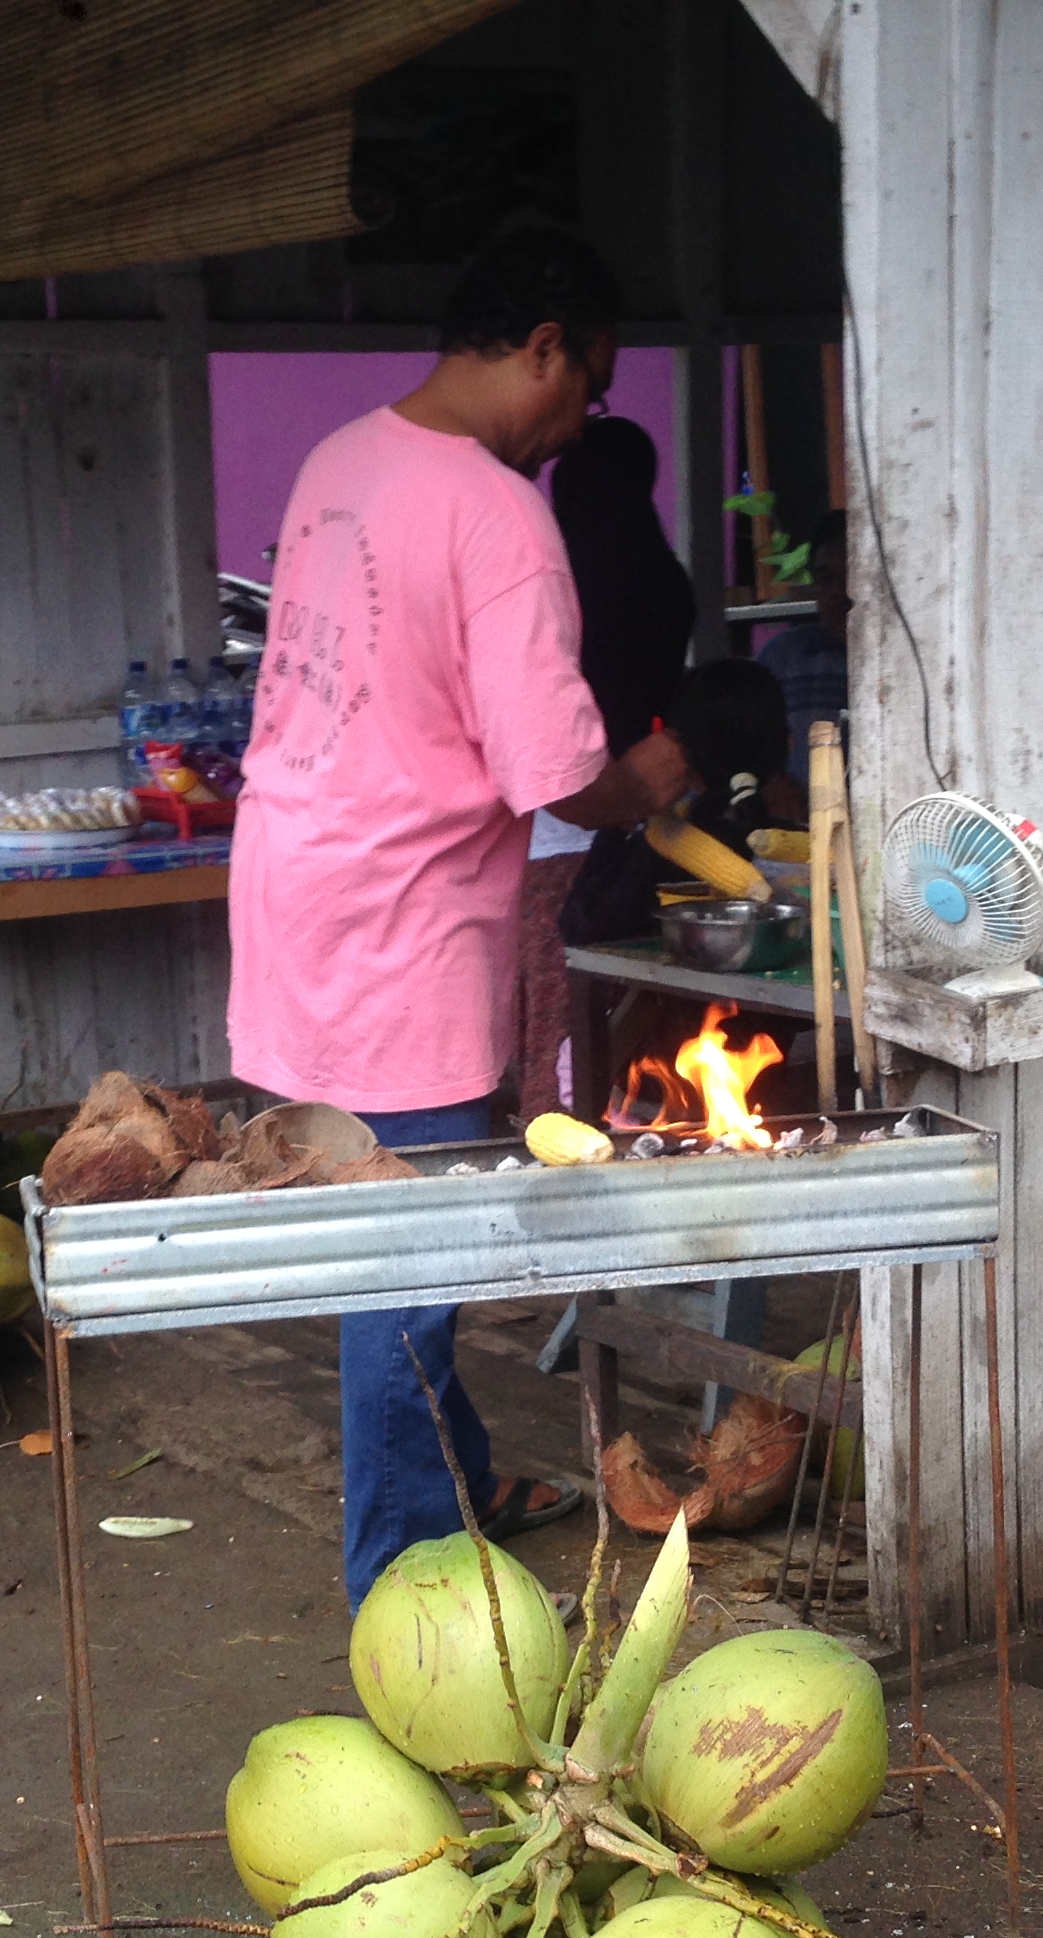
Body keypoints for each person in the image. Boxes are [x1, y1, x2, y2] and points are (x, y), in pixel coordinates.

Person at [230, 225, 695, 1606]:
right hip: (403, 914)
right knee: (407, 1252)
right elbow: (552, 771)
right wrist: (653, 776)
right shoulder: (497, 511)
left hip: (299, 887)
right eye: (591, 384)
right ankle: (408, 1590)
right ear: (541, 347)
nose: (586, 418)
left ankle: (458, 1480)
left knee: (386, 1209)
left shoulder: (342, 460)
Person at [518, 413, 694, 1121]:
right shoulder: (668, 581)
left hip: (560, 817)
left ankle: (544, 1125)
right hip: (654, 812)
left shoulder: (553, 586)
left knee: (551, 1010)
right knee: (632, 1006)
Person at [561, 657, 803, 947]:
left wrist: (623, 813)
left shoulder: (660, 848)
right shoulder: (812, 846)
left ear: (680, 757)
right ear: (788, 744)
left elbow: (579, 926)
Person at [757, 507, 849, 777]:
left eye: (852, 576)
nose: (839, 593)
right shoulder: (784, 658)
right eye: (826, 578)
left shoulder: (911, 660)